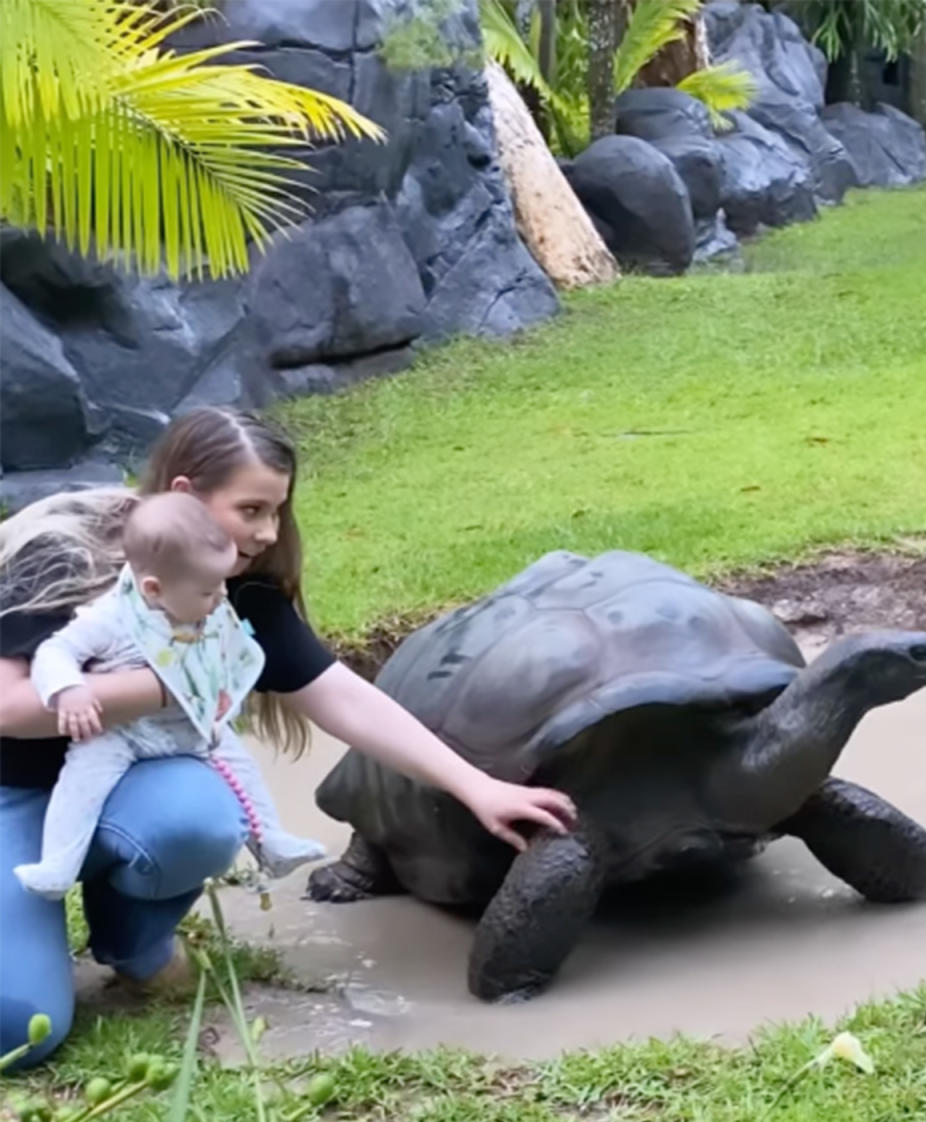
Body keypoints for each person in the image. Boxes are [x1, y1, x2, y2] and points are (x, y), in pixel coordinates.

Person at [0, 407, 576, 1066]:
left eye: (276, 511)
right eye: (251, 510)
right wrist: (178, 680)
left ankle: (136, 944)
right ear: (187, 494)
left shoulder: (231, 595)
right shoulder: (64, 553)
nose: (269, 533)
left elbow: (342, 698)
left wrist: (477, 787)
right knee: (20, 1030)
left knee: (198, 818)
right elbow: (9, 707)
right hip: (10, 788)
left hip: (131, 783)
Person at [16, 492, 325, 899]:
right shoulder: (113, 617)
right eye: (207, 592)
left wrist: (222, 690)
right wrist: (69, 689)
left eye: (220, 587)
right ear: (154, 589)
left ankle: (271, 840)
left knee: (241, 767)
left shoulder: (208, 606)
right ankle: (59, 863)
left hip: (190, 725)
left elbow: (225, 653)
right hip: (121, 734)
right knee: (81, 785)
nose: (219, 598)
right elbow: (55, 652)